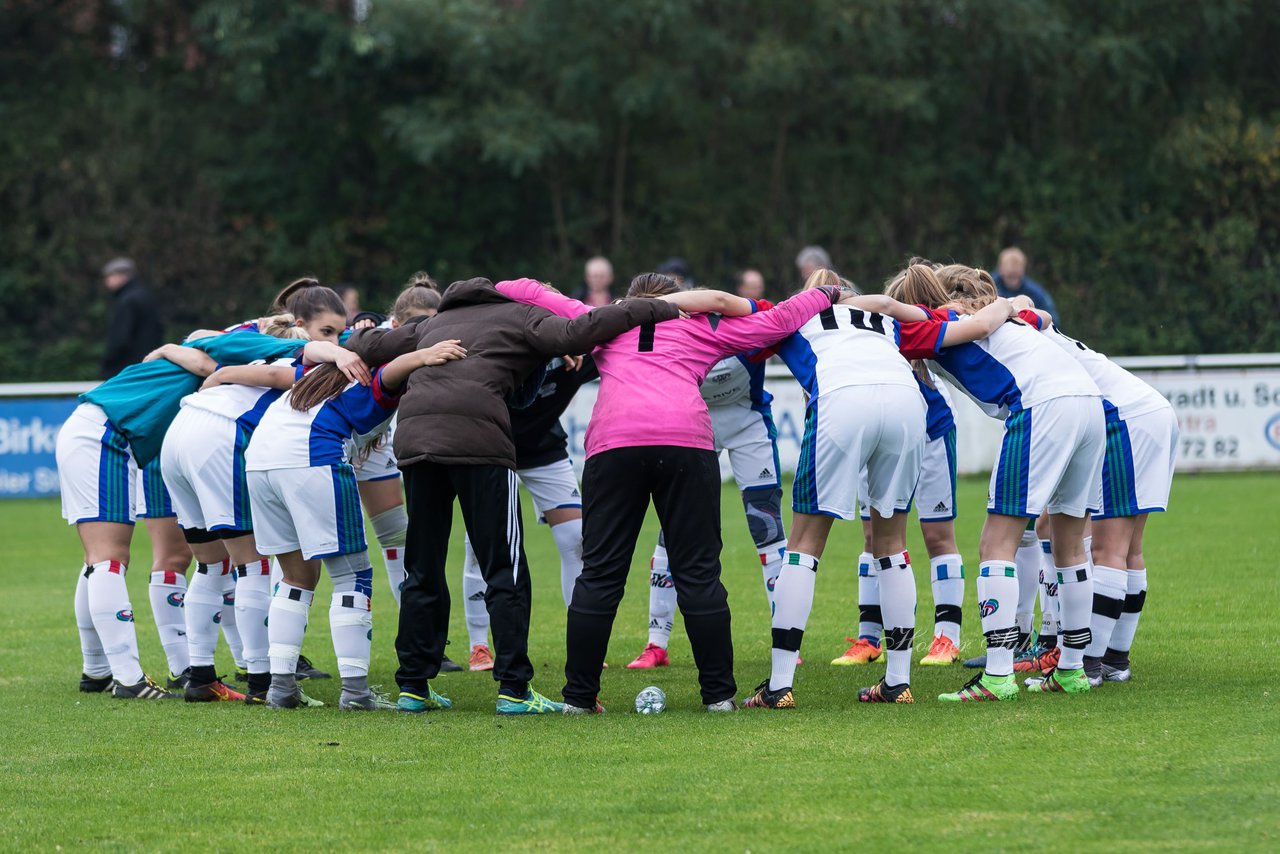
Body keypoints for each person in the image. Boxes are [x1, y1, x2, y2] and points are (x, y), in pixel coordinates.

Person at [499, 274, 844, 713]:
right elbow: (778, 322)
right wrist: (825, 293)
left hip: (613, 445)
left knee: (600, 574)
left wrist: (480, 291)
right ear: (679, 299)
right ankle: (718, 696)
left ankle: (579, 699)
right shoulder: (702, 325)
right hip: (685, 442)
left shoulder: (603, 320)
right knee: (698, 573)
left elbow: (531, 291)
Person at [344, 276, 679, 715]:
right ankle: (514, 690)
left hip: (416, 445)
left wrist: (349, 340)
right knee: (505, 568)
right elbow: (583, 329)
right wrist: (658, 308)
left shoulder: (433, 324)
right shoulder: (520, 315)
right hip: (479, 445)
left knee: (422, 566)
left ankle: (413, 686)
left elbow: (366, 344)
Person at [744, 267, 1016, 709]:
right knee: (892, 544)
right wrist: (1009, 306)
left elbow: (740, 336)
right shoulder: (886, 321)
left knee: (805, 544)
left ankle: (778, 685)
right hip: (906, 404)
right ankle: (896, 681)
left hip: (842, 398)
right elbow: (955, 330)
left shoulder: (792, 317)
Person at [56, 318, 347, 699]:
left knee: (100, 561)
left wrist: (169, 350)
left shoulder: (208, 347)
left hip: (108, 433)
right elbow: (225, 364)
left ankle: (97, 669)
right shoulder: (246, 345)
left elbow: (201, 352)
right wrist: (341, 355)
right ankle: (130, 678)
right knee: (109, 558)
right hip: (108, 434)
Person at [891, 264, 1105, 701]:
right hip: (1089, 402)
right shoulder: (990, 315)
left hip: (1041, 406)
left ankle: (998, 674)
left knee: (997, 544)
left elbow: (898, 328)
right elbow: (1034, 314)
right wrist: (1009, 303)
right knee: (1067, 540)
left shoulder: (928, 326)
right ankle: (1071, 668)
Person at [243, 338, 466, 711]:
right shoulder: (370, 378)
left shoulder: (317, 374)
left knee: (295, 578)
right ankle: (356, 693)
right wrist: (423, 356)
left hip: (259, 464)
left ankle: (280, 688)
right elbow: (392, 372)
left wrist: (339, 352)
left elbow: (311, 348)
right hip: (312, 460)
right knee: (354, 577)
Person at [1015, 304, 1178, 686]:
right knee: (1128, 549)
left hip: (1126, 418)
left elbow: (1035, 313)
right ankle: (1114, 660)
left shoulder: (1015, 330)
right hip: (1148, 410)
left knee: (1108, 550)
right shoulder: (1027, 329)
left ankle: (1088, 667)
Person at [627, 347, 787, 671]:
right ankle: (656, 644)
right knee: (672, 528)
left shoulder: (746, 330)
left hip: (749, 424)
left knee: (767, 528)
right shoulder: (679, 334)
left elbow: (779, 320)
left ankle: (786, 641)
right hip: (693, 426)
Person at [459, 353, 599, 671]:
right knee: (481, 548)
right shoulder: (502, 346)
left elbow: (616, 327)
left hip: (544, 451)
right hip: (491, 450)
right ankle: (479, 645)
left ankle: (583, 640)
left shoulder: (575, 354)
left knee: (577, 540)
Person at [100, 257, 163, 379]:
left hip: (126, 368)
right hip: (149, 362)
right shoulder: (145, 295)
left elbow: (120, 338)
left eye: (110, 276)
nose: (107, 280)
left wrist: (108, 362)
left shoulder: (127, 300)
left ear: (123, 276)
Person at [992, 247, 1059, 326]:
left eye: (1016, 276)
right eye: (1009, 276)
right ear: (1000, 269)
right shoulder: (989, 286)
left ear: (1023, 270)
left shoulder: (1036, 293)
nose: (1013, 280)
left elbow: (1053, 320)